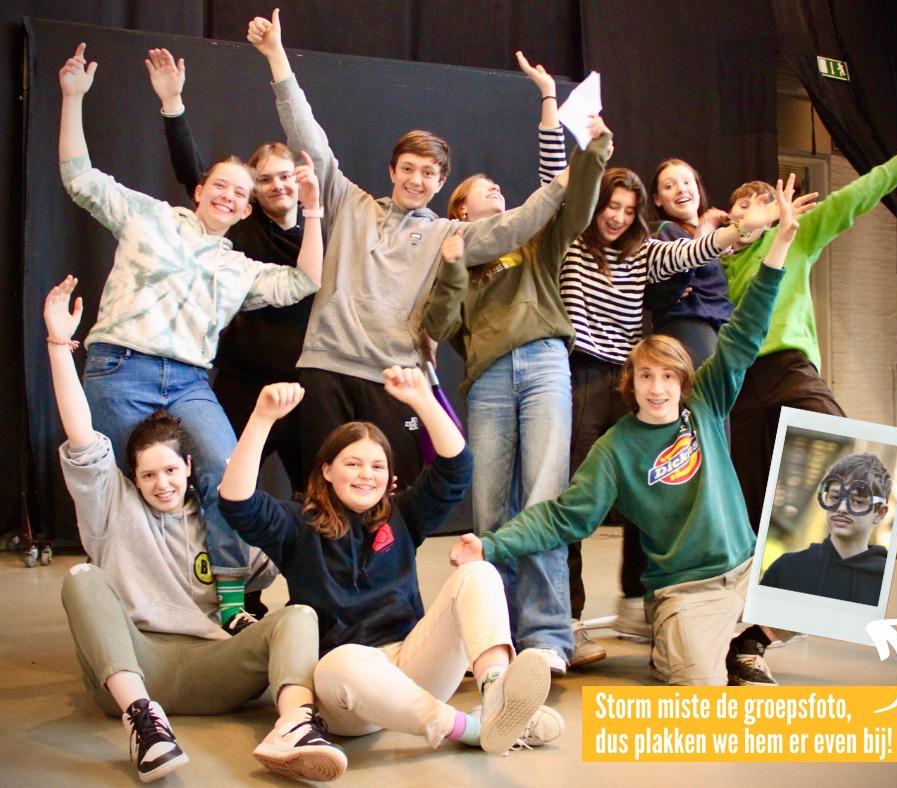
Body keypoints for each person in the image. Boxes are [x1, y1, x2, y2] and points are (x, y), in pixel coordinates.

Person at [450, 175, 812, 686]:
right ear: (631, 383)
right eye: (646, 378)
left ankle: (748, 641)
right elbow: (562, 517)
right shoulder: (616, 449)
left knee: (838, 567)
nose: (657, 389)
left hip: (746, 570)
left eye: (667, 378)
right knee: (698, 687)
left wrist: (780, 242)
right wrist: (490, 545)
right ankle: (681, 639)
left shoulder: (705, 404)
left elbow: (746, 329)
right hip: (689, 590)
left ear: (683, 382)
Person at [517, 53, 783, 667]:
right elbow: (555, 174)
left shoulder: (645, 254)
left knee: (660, 477)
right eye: (609, 205)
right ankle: (567, 622)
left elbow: (697, 250)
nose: (616, 216)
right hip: (582, 375)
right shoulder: (571, 240)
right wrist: (548, 101)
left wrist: (746, 229)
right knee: (572, 493)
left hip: (630, 381)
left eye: (627, 209)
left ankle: (659, 599)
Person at [247, 10, 573, 490]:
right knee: (323, 493)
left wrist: (565, 182)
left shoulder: (447, 234)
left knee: (391, 495)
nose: (416, 180)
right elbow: (306, 136)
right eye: (408, 169)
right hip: (326, 365)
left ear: (441, 183)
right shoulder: (349, 202)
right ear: (392, 170)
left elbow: (513, 227)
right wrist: (277, 56)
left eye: (428, 173)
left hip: (395, 377)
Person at [58, 43, 323, 633]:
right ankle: (130, 605)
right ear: (200, 189)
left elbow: (305, 280)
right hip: (119, 368)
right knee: (125, 488)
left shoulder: (237, 265)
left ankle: (228, 603)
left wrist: (314, 212)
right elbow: (79, 179)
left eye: (241, 193)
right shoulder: (148, 216)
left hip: (187, 381)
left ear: (245, 208)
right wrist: (73, 98)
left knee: (227, 476)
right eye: (221, 185)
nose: (230, 196)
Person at [44, 276, 346, 783]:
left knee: (298, 615)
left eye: (170, 470)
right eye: (147, 475)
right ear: (132, 477)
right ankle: (145, 726)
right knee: (81, 579)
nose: (161, 484)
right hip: (134, 666)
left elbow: (283, 547)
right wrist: (59, 345)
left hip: (215, 665)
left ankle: (295, 726)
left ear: (189, 466)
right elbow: (80, 433)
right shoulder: (112, 506)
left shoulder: (220, 522)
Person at [217, 368, 562, 759]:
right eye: (353, 464)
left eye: (377, 466)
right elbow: (237, 502)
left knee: (478, 572)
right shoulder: (297, 524)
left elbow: (457, 467)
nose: (366, 475)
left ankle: (497, 693)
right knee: (339, 664)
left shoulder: (402, 514)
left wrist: (422, 400)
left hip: (412, 665)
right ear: (327, 470)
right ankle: (472, 729)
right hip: (349, 693)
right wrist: (262, 418)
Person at [422, 103, 613, 675]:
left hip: (545, 361)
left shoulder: (533, 244)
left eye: (500, 188)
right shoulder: (451, 255)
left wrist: (595, 150)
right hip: (488, 380)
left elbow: (578, 206)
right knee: (490, 508)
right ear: (461, 208)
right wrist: (453, 268)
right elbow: (439, 325)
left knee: (543, 499)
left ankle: (547, 636)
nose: (498, 191)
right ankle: (492, 635)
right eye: (486, 188)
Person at [720, 143, 897, 570]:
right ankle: (758, 593)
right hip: (740, 383)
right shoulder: (722, 266)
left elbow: (849, 201)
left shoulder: (793, 238)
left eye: (755, 205)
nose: (744, 213)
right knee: (750, 494)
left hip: (788, 370)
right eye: (738, 207)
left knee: (854, 454)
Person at [145, 47, 313, 494]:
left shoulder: (320, 234)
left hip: (304, 384)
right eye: (265, 179)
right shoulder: (240, 226)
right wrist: (173, 105)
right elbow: (194, 173)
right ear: (253, 192)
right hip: (242, 379)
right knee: (220, 480)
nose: (277, 185)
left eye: (285, 176)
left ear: (299, 179)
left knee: (314, 490)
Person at [761, 453, 891, 605]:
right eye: (835, 497)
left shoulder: (887, 583)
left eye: (857, 501)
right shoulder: (786, 568)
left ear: (880, 513)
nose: (841, 508)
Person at [645, 158, 734, 367]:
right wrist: (702, 236)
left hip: (721, 329)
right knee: (701, 385)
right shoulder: (662, 231)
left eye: (687, 182)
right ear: (658, 199)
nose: (681, 189)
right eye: (669, 186)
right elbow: (670, 279)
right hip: (689, 326)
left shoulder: (717, 240)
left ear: (698, 189)